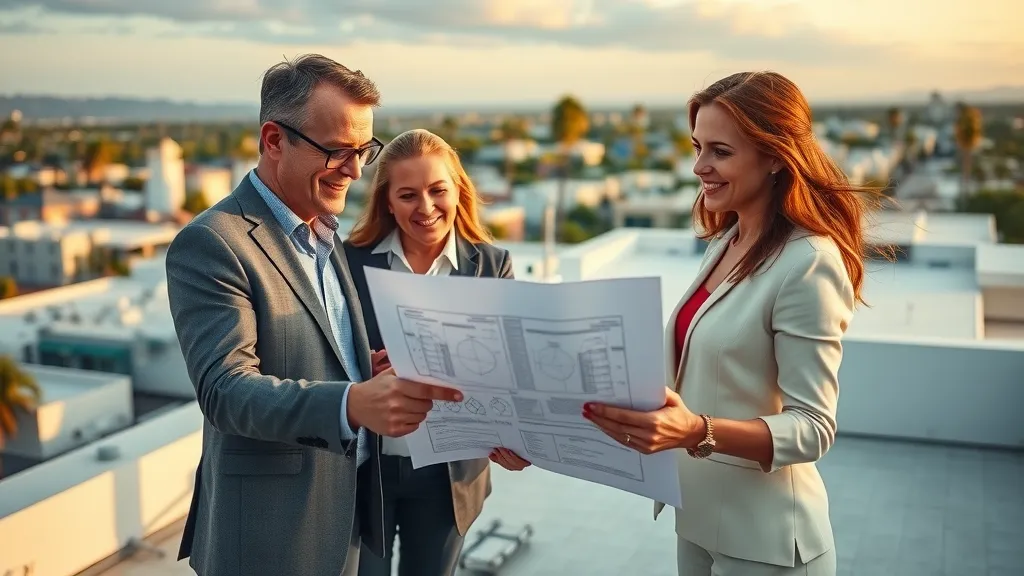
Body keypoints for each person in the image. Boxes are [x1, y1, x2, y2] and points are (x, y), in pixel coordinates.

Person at [165, 55, 464, 576]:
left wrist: (366, 372)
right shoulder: (214, 243)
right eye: (336, 151)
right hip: (270, 535)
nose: (354, 171)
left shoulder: (326, 233)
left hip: (346, 517)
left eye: (363, 151)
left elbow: (316, 356)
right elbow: (226, 390)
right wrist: (352, 402)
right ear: (274, 140)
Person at [584, 71, 876, 576]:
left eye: (720, 151)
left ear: (774, 157)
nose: (699, 167)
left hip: (768, 540)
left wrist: (696, 430)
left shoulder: (809, 261)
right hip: (695, 520)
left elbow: (813, 428)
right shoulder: (727, 241)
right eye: (697, 147)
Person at [343, 128, 532, 576]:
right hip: (368, 470)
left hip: (451, 473)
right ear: (387, 201)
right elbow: (328, 355)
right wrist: (361, 371)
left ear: (457, 191)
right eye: (408, 195)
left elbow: (507, 369)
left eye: (436, 190)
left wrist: (521, 440)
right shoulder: (349, 260)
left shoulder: (492, 264)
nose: (425, 208)